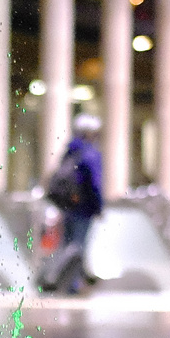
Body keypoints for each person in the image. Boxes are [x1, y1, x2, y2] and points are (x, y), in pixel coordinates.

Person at [41, 112, 104, 294]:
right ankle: (65, 282)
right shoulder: (90, 153)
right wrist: (98, 206)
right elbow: (94, 183)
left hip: (67, 206)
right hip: (84, 208)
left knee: (68, 244)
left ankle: (76, 279)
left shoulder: (70, 150)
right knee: (77, 246)